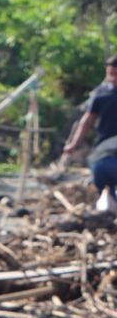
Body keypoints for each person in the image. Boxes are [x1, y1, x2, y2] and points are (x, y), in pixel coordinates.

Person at [60, 55, 117, 207]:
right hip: (105, 148)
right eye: (110, 74)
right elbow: (87, 120)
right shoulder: (102, 94)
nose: (112, 78)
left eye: (115, 74)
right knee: (102, 175)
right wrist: (74, 144)